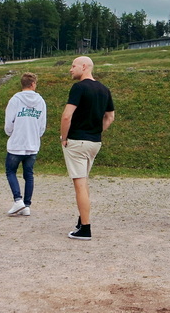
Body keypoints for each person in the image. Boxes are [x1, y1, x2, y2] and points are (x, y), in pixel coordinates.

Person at [60, 56, 115, 240]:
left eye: (73, 65)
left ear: (84, 67)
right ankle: (82, 219)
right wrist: (97, 131)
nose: (70, 69)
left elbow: (67, 116)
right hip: (94, 142)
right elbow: (110, 117)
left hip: (77, 141)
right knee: (84, 183)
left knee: (80, 185)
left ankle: (85, 228)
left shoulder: (79, 87)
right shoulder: (104, 89)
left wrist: (64, 138)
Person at [4, 72, 47, 217]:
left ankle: (18, 200)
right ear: (33, 84)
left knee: (11, 171)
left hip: (17, 143)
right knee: (29, 174)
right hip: (32, 143)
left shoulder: (15, 100)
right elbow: (42, 125)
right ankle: (27, 205)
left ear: (22, 84)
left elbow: (9, 122)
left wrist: (11, 133)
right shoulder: (40, 101)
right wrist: (35, 135)